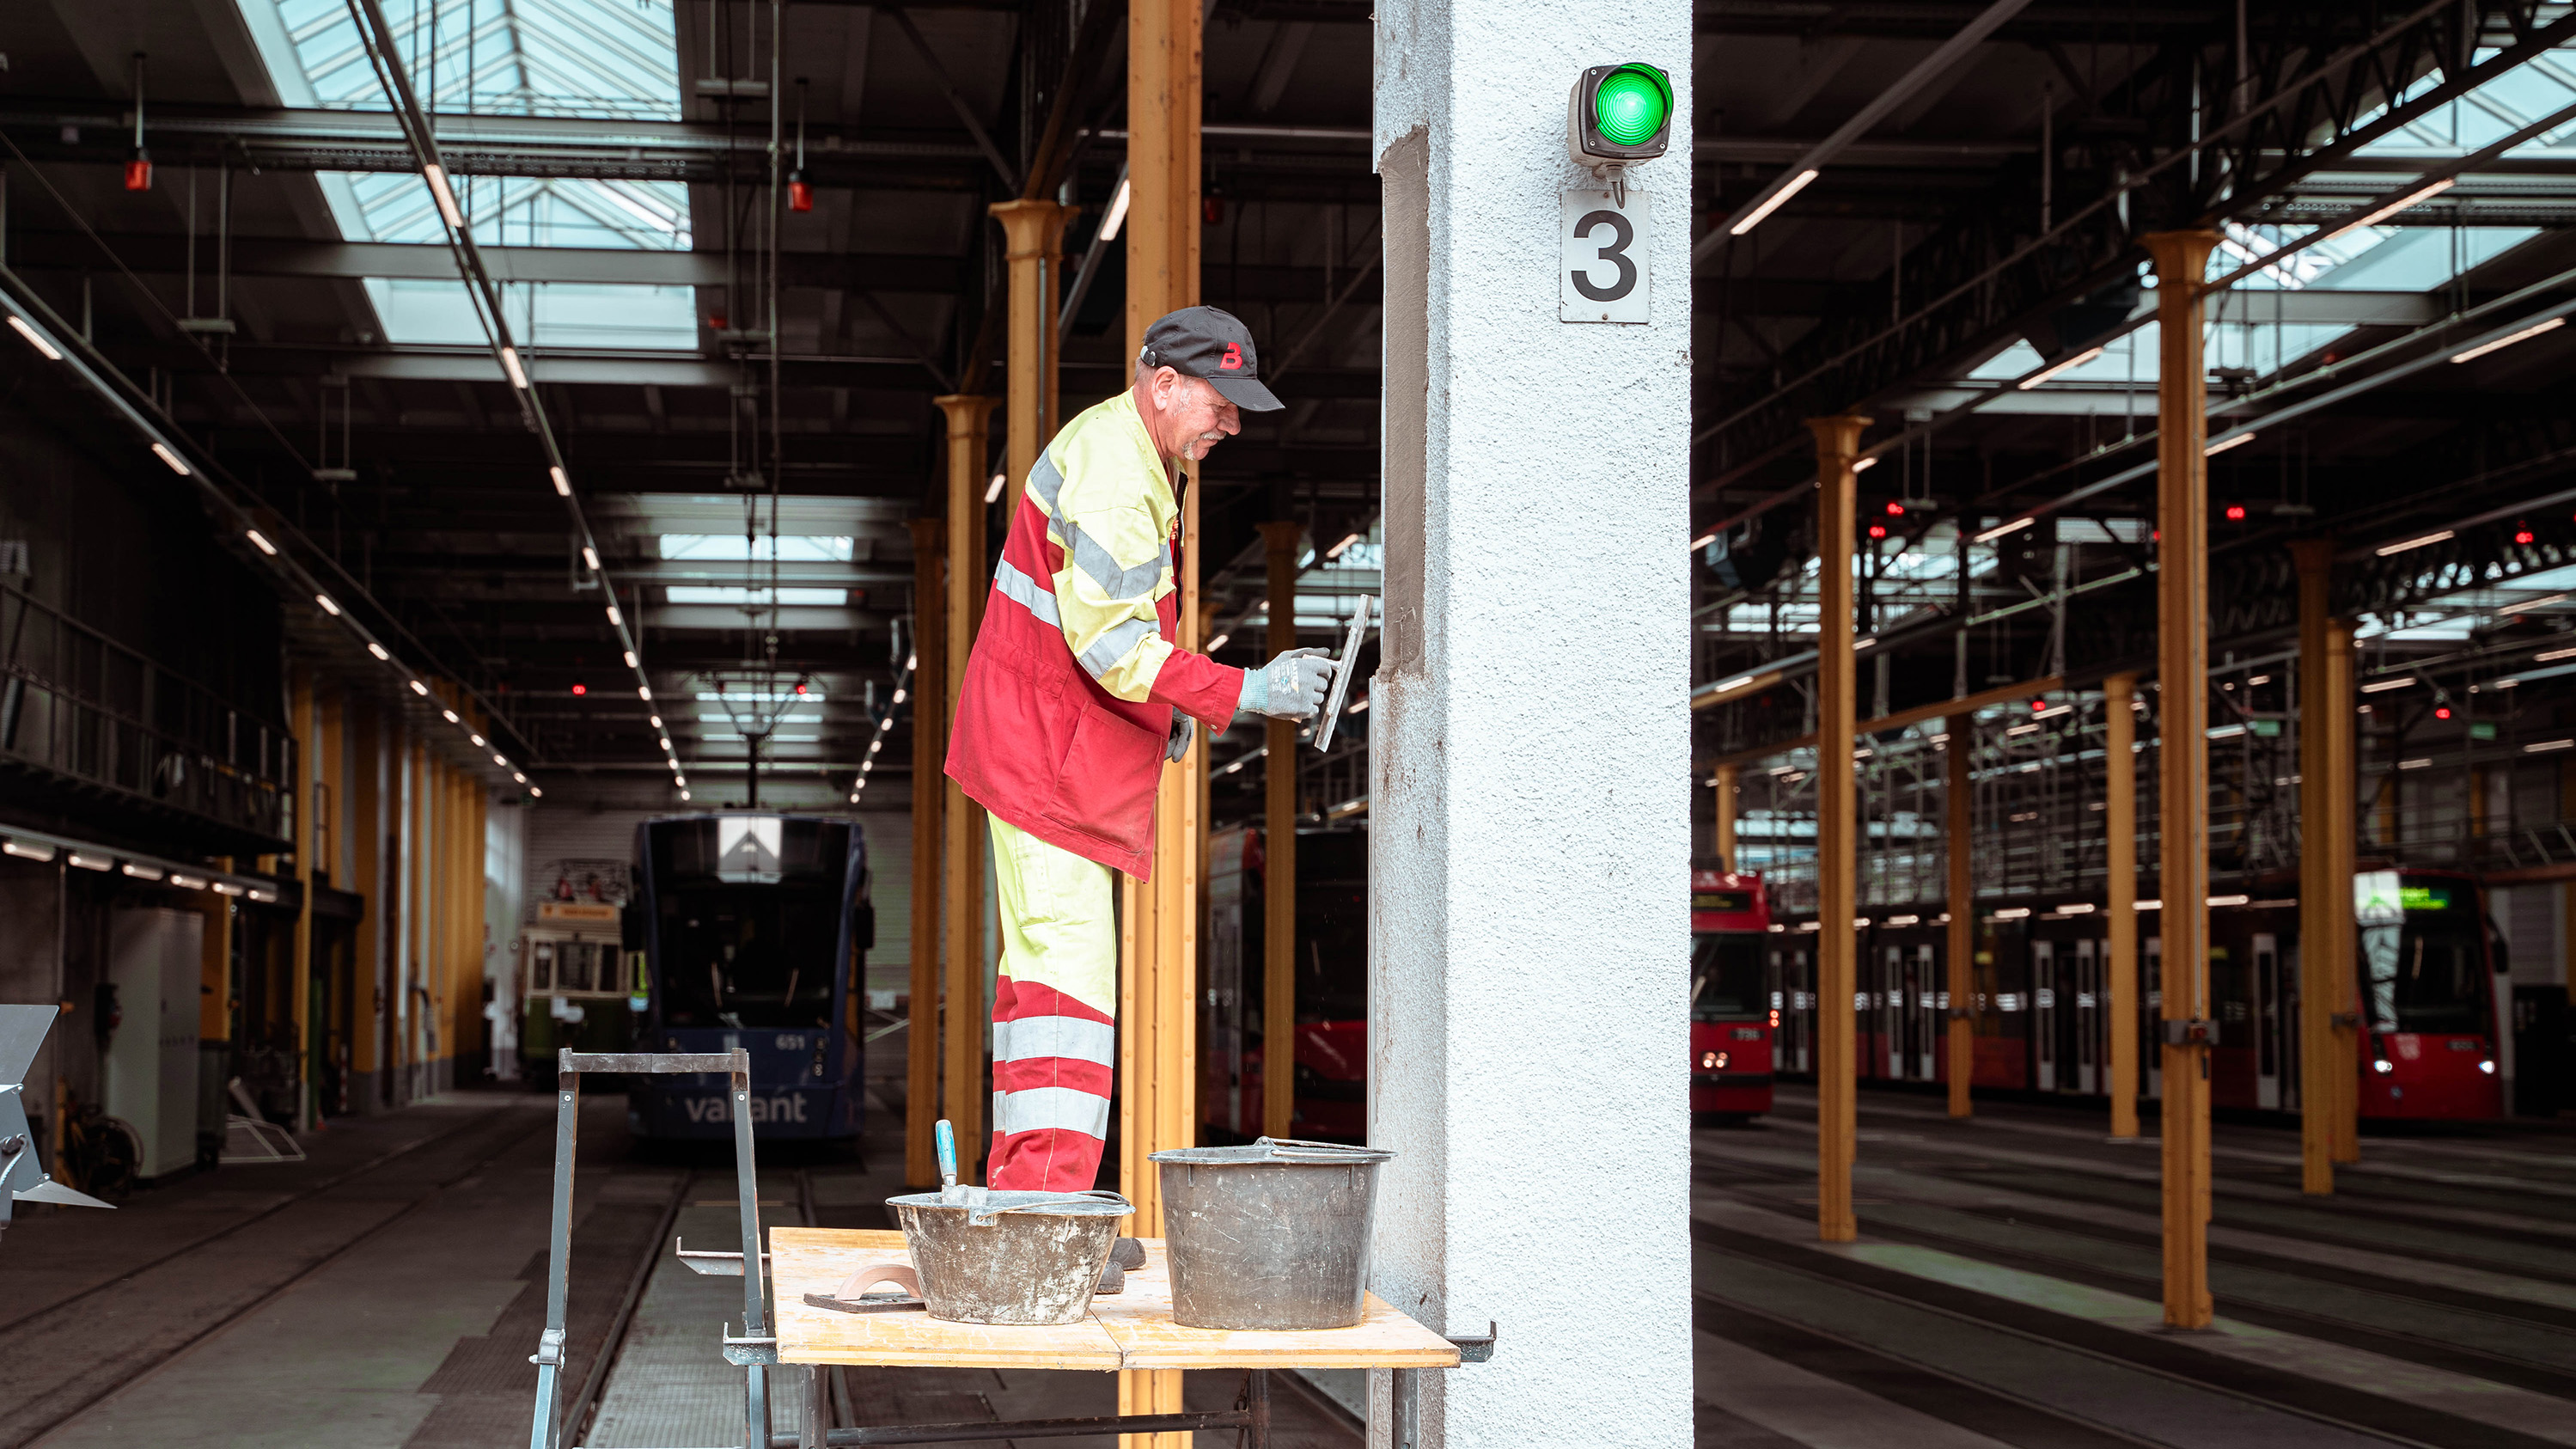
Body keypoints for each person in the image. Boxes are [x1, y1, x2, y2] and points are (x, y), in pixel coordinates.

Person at [946, 306, 1337, 1190]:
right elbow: (1114, 649)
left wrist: (1169, 709)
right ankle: (1044, 1211)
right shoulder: (1120, 480)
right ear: (1163, 385)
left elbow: (1103, 635)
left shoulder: (1126, 452)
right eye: (1220, 402)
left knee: (1042, 988)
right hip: (1046, 764)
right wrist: (1242, 690)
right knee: (1070, 993)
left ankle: (1026, 1200)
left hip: (1043, 751)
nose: (1232, 423)